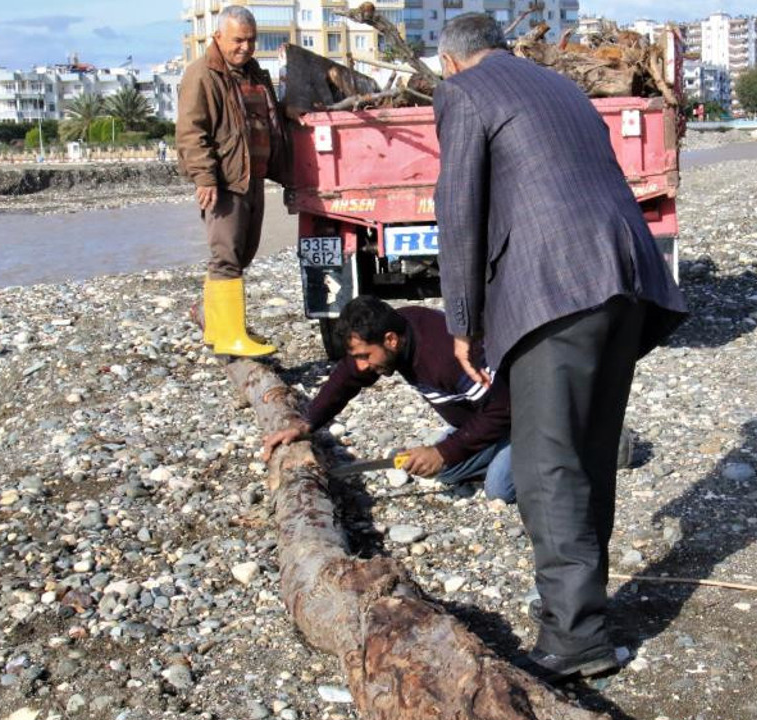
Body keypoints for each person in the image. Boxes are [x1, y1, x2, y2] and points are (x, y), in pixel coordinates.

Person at [432, 14, 688, 683]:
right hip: (627, 275)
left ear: (449, 60)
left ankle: (574, 638)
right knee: (591, 451)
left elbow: (458, 209)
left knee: (549, 463)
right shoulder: (561, 87)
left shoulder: (463, 91)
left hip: (556, 286)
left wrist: (462, 319)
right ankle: (581, 612)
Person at [261, 296, 514, 503]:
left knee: (499, 489)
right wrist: (307, 422)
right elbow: (347, 377)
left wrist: (444, 450)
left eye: (365, 356)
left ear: (391, 340)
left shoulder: (443, 357)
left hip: (524, 419)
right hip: (485, 418)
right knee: (444, 470)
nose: (361, 366)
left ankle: (543, 457)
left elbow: (503, 409)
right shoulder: (392, 331)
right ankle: (504, 455)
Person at [177, 5, 290, 357]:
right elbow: (190, 132)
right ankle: (230, 337)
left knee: (243, 253)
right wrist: (205, 177)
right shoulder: (201, 74)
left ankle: (216, 328)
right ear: (218, 37)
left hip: (252, 176)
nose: (245, 47)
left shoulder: (255, 73)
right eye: (238, 40)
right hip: (224, 181)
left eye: (251, 40)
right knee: (225, 256)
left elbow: (266, 116)